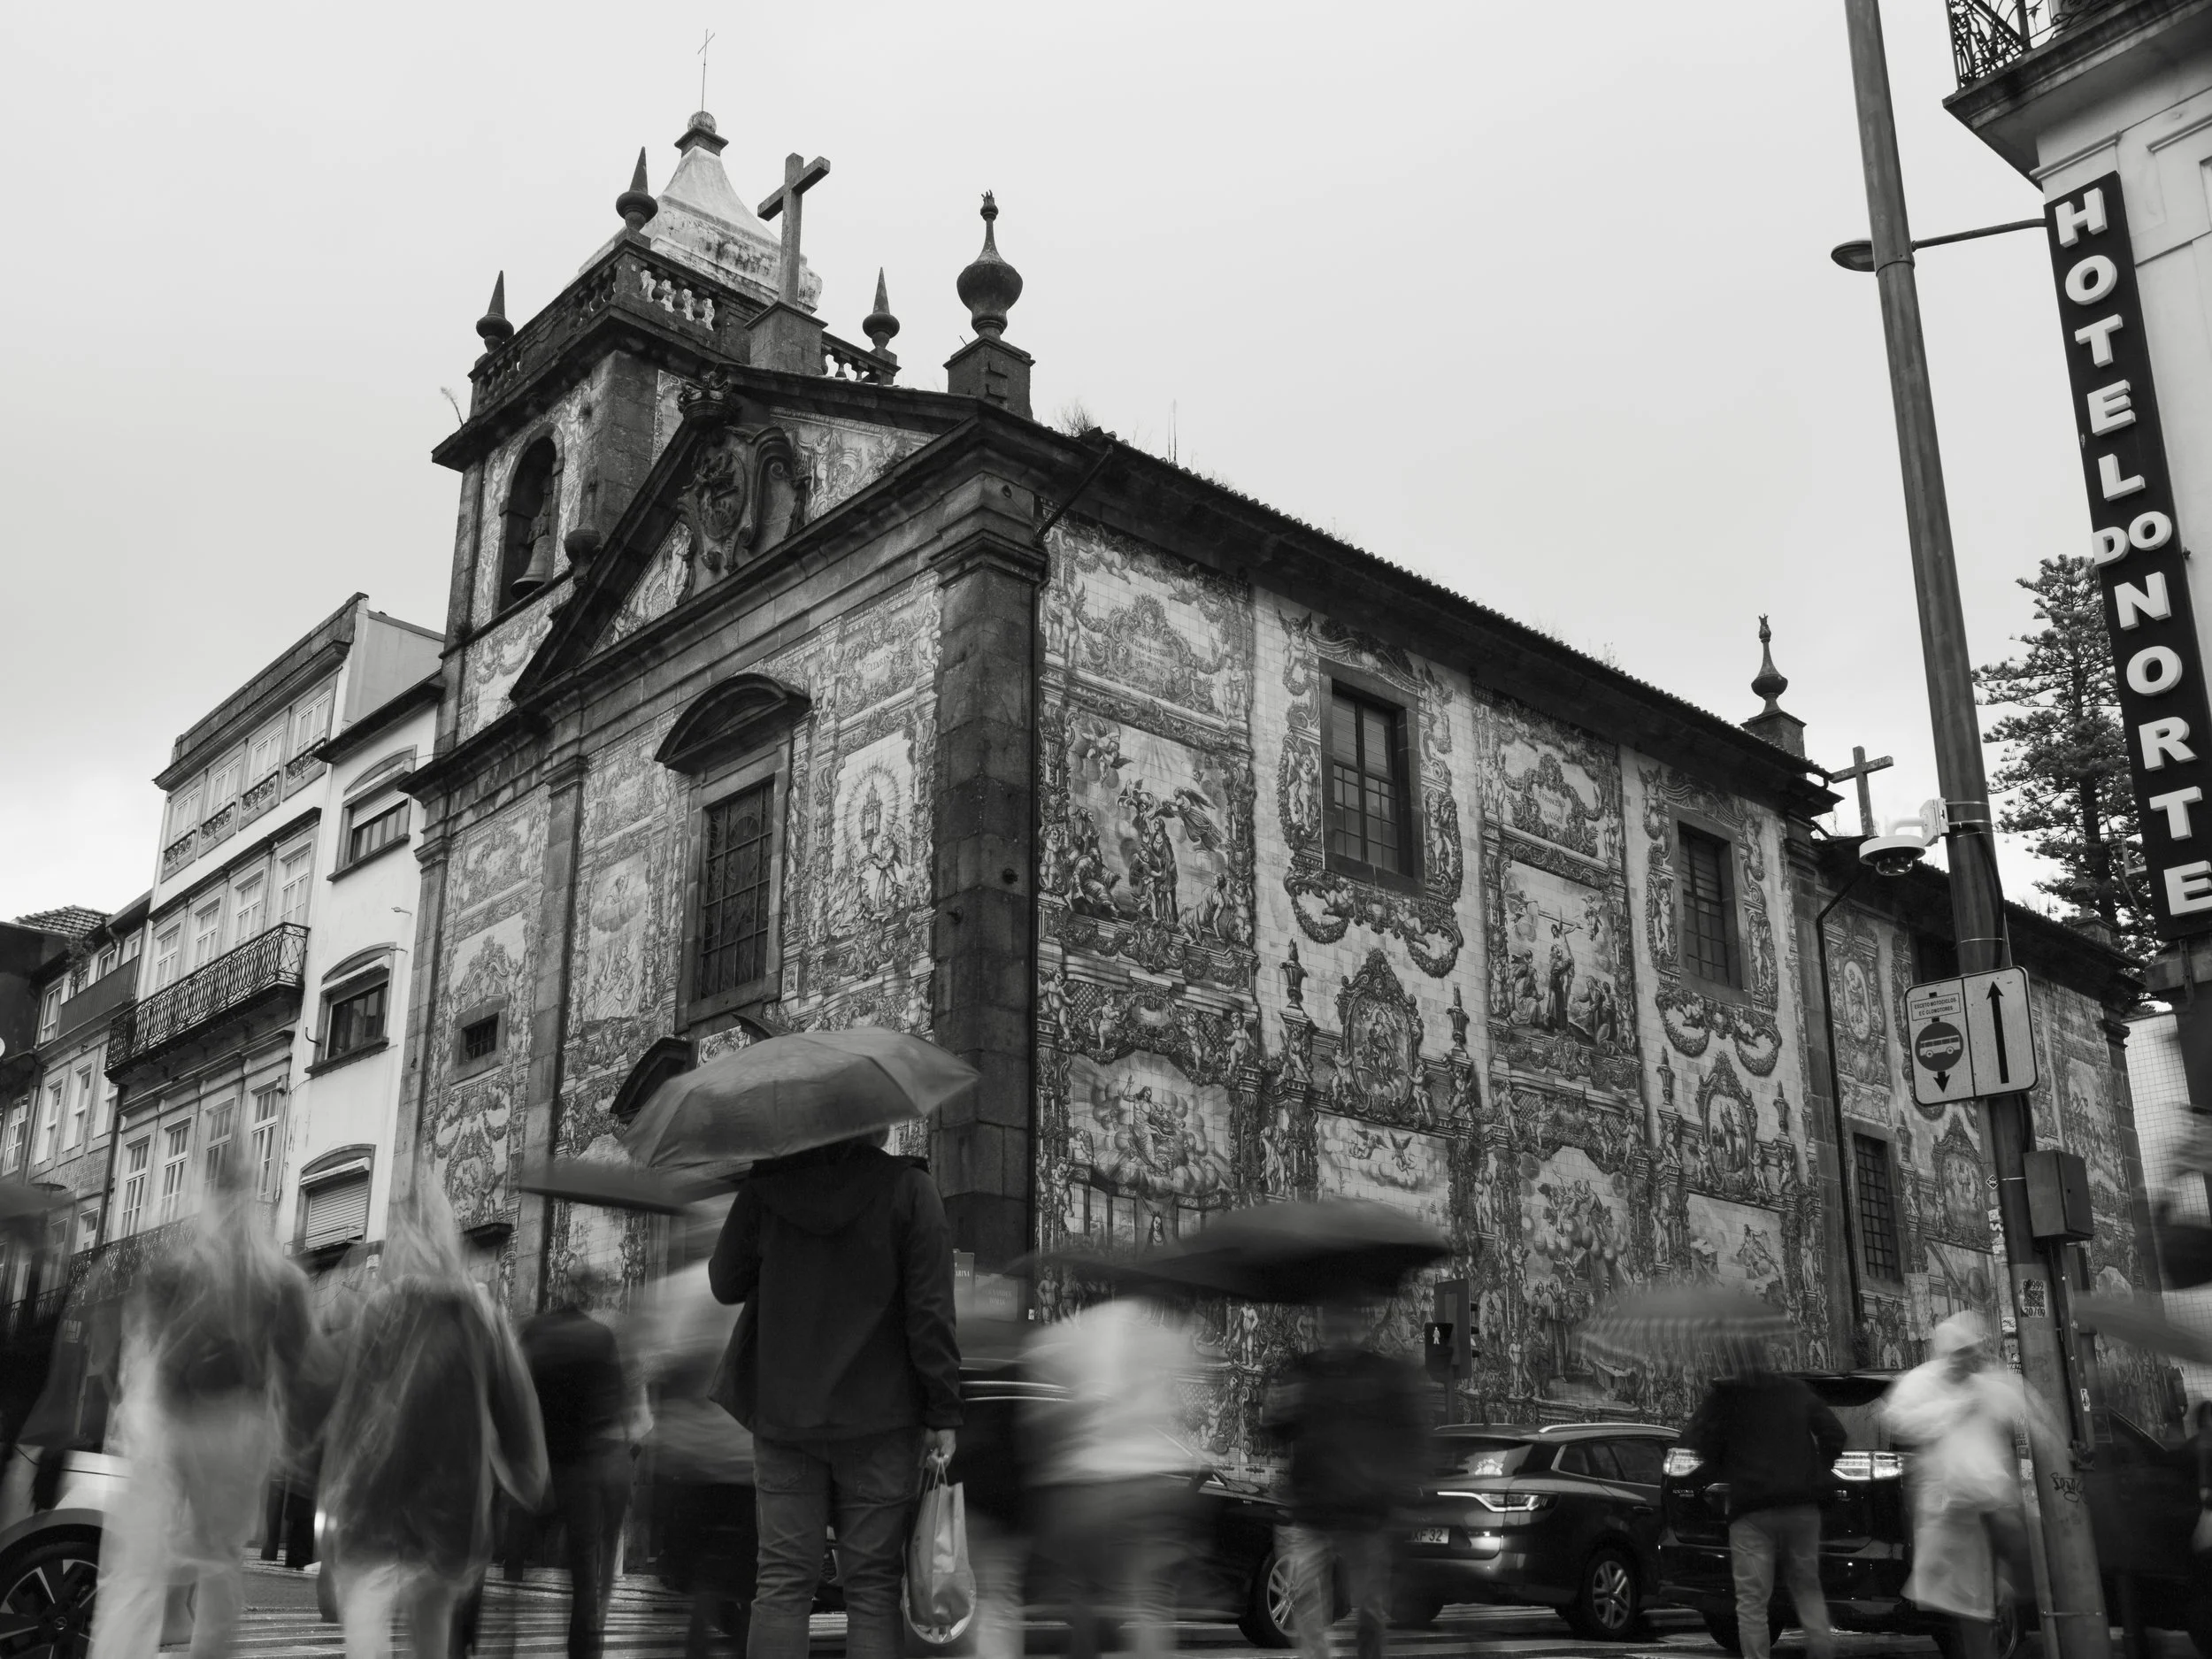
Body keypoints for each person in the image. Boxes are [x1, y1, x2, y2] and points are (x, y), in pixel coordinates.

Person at [710, 1128, 962, 1659]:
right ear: (880, 1125)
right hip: (883, 1420)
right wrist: (943, 1410)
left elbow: (724, 1282)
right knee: (871, 1591)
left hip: (785, 1417)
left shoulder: (767, 1189)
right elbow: (931, 1314)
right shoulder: (912, 1191)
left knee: (781, 1584)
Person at [88, 1162, 322, 1659]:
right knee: (217, 1566)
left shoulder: (177, 1270)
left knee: (140, 1569)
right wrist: (296, 1440)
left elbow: (137, 1357)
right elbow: (302, 1368)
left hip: (173, 1425)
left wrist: (133, 1417)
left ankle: (134, 1640)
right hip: (236, 1428)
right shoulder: (279, 1279)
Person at [319, 1182, 548, 1659]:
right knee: (430, 1632)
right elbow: (515, 1403)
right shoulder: (477, 1314)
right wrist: (527, 1472)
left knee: (370, 1632)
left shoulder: (384, 1312)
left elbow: (349, 1417)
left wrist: (333, 1507)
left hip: (377, 1505)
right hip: (448, 1514)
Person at [1025, 1279, 1201, 1659]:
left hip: (1092, 1485)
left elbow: (1076, 1404)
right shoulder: (1165, 1334)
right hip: (1152, 1483)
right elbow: (1176, 1411)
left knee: (1084, 1594)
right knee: (1151, 1601)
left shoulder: (1084, 1331)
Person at [1262, 1299, 1427, 1659]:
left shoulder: (1381, 1375)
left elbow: (1409, 1434)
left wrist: (1392, 1483)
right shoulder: (1302, 1370)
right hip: (1310, 1507)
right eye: (1330, 1320)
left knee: (1370, 1609)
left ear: (1359, 1326)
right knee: (1305, 1600)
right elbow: (1276, 1429)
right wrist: (1279, 1411)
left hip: (1363, 1509)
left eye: (1344, 1320)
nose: (1336, 1329)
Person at [1880, 1312, 2040, 1659]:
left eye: (1974, 1352)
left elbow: (2030, 1414)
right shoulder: (1923, 1384)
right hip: (1952, 1510)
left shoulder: (1989, 1386)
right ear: (1950, 1355)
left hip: (1991, 1503)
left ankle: (2010, 1593)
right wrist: (1954, 1409)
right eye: (1964, 1353)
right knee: (1972, 1606)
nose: (1971, 1360)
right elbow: (1899, 1420)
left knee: (1984, 1601)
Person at [640, 1207, 757, 1658]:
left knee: (703, 1579)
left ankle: (706, 1645)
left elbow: (659, 1376)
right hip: (741, 1456)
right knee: (744, 1575)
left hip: (691, 1459)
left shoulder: (671, 1294)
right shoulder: (748, 1291)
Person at [1679, 1346, 1846, 1659]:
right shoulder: (1795, 1390)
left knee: (1753, 1601)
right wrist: (1817, 1471)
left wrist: (1728, 1469)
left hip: (1752, 1512)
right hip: (1801, 1508)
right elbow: (1835, 1434)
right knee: (1807, 1589)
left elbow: (1696, 1443)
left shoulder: (1725, 1398)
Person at [520, 1269, 641, 1659]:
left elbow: (518, 1396)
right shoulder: (602, 1335)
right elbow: (615, 1403)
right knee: (585, 1573)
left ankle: (496, 1640)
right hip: (583, 1467)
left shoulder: (533, 1331)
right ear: (590, 1295)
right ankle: (587, 1649)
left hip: (536, 1464)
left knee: (515, 1558)